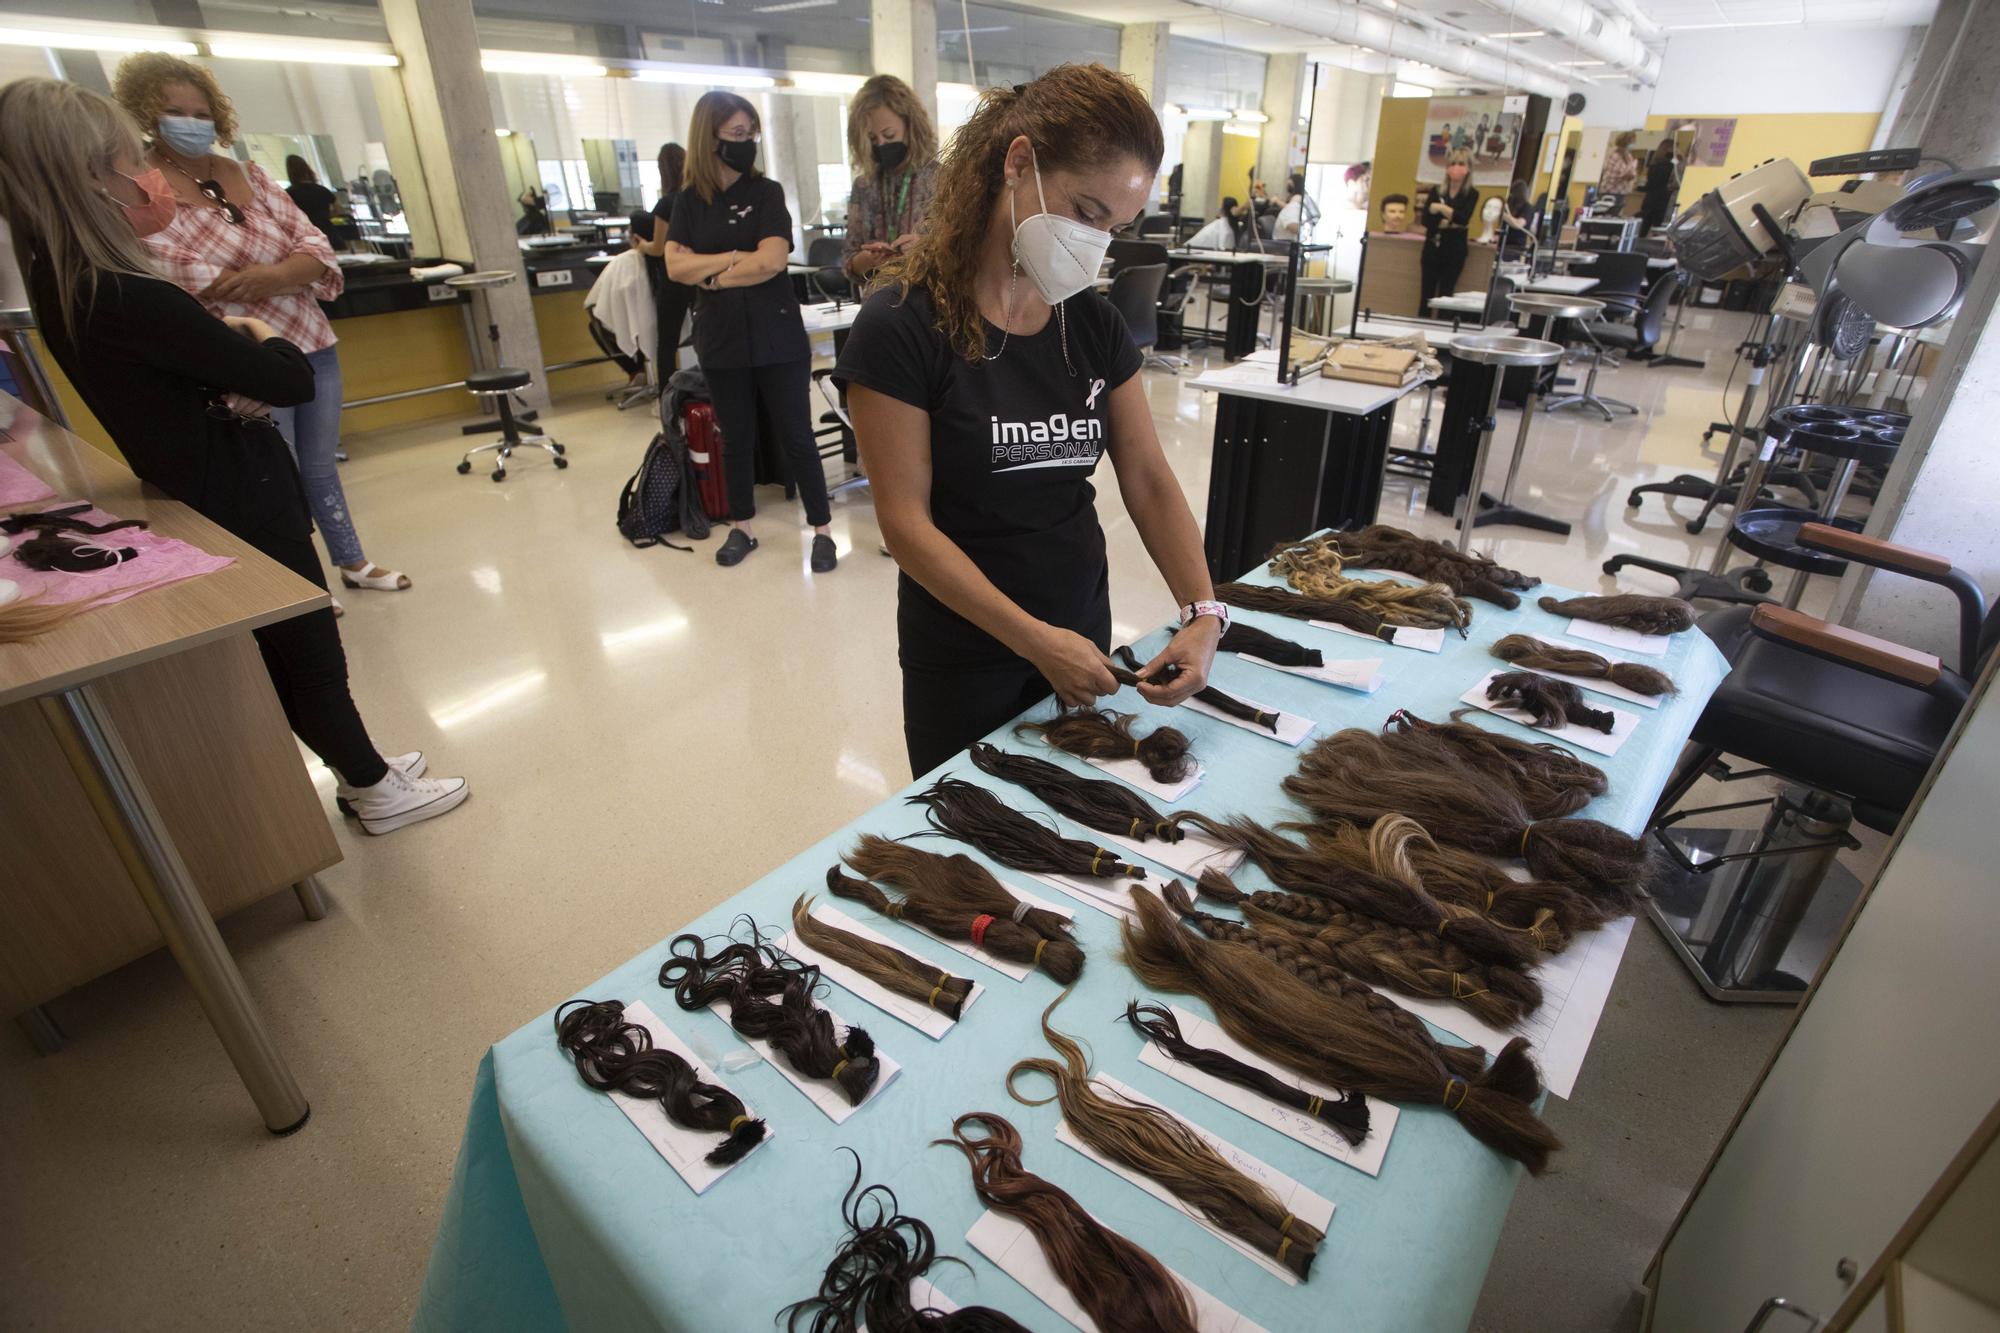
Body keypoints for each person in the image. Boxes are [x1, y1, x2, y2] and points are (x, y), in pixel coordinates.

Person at [0, 79, 467, 834]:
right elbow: (284, 377)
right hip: (236, 481)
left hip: (202, 469)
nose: (146, 174)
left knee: (289, 638)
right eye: (130, 158)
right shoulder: (126, 292)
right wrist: (254, 333)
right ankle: (373, 787)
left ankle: (361, 761)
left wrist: (230, 351)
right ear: (93, 175)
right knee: (305, 641)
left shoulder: (64, 283)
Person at [831, 63, 1223, 777]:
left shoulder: (1091, 323)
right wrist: (1034, 640)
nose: (1095, 242)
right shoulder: (900, 328)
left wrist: (1202, 612)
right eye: (1086, 212)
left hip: (1081, 634)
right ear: (1018, 164)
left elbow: (1147, 477)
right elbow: (906, 526)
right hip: (967, 652)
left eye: (1117, 227)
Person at [112, 54, 409, 599]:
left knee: (319, 467)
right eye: (175, 111)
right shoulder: (144, 189)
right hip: (239, 355)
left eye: (200, 111)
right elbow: (169, 265)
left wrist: (265, 277)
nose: (191, 121)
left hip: (311, 341)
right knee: (276, 472)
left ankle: (352, 560)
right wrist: (280, 274)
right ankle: (298, 579)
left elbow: (315, 245)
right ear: (147, 114)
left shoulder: (248, 175)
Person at [665, 91, 836, 572]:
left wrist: (715, 275)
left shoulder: (766, 193)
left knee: (796, 435)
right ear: (710, 137)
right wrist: (737, 258)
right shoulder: (688, 202)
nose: (747, 143)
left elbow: (773, 260)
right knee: (735, 439)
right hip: (721, 340)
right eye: (737, 135)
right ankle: (743, 527)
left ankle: (822, 529)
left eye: (751, 134)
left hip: (776, 335)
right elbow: (675, 266)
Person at [842, 74, 938, 283]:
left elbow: (964, 255)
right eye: (873, 140)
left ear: (911, 127)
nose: (882, 144)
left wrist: (924, 249)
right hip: (879, 303)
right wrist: (867, 260)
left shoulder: (943, 180)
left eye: (889, 135)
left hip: (926, 305)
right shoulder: (864, 186)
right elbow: (850, 262)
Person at [627, 143, 694, 373]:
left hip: (673, 278)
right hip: (697, 273)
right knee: (706, 333)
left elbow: (659, 247)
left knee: (667, 342)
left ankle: (667, 396)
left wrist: (640, 246)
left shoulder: (666, 204)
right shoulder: (698, 199)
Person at [1419, 149, 1479, 312]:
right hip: (1433, 249)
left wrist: (1440, 208)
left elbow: (1463, 219)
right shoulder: (1437, 191)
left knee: (1446, 296)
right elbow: (1426, 220)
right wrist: (1450, 219)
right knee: (1426, 295)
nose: (1456, 167)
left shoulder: (1471, 194)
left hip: (1454, 251)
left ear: (1468, 168)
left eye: (1461, 164)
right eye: (1452, 163)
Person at [283, 154, 336, 238]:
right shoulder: (322, 190)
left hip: (306, 237)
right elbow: (336, 210)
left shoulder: (288, 194)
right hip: (329, 235)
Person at [1638, 138, 1679, 233]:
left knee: (1643, 229)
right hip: (1662, 200)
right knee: (1658, 230)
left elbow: (1650, 183)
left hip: (1650, 199)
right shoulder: (1671, 166)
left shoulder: (1653, 165)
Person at [1497, 179, 1535, 260]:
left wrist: (1503, 214)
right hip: (1502, 244)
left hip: (1515, 247)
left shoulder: (1527, 208)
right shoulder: (1509, 206)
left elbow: (1519, 224)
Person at [1275, 171, 1319, 240]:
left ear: (1294, 183)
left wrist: (1277, 201)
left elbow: (1290, 209)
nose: (1287, 185)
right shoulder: (1299, 196)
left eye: (1289, 183)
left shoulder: (1298, 197)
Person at [1600, 131, 1639, 201]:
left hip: (1622, 191)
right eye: (1632, 142)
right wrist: (1629, 174)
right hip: (1610, 190)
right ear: (1626, 142)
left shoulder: (1629, 156)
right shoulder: (1615, 155)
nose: (1633, 144)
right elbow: (1617, 174)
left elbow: (1630, 172)